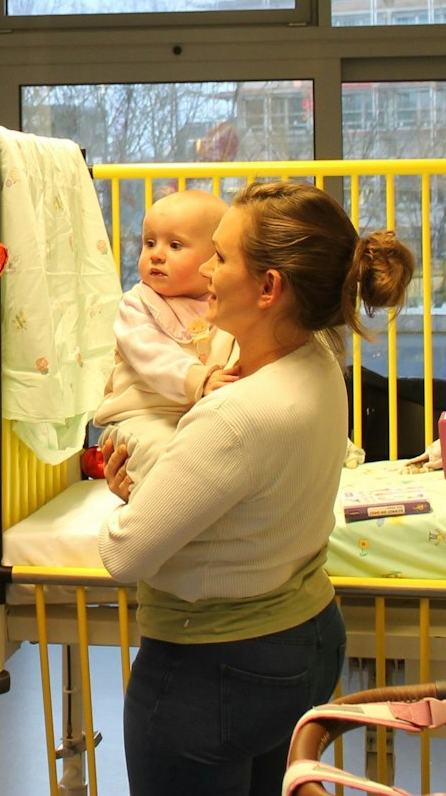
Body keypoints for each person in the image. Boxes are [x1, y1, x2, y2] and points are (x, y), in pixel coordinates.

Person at [96, 180, 415, 796]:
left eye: (218, 257)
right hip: (308, 640)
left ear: (268, 288)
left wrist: (137, 500)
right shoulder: (320, 363)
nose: (205, 272)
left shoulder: (234, 416)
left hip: (213, 668)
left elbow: (123, 557)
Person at [91, 189, 237, 483]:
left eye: (174, 245)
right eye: (149, 243)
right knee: (164, 456)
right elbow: (152, 355)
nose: (156, 254)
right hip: (140, 418)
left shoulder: (227, 304)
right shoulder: (138, 305)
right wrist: (199, 378)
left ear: (215, 257)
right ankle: (157, 517)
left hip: (196, 420)